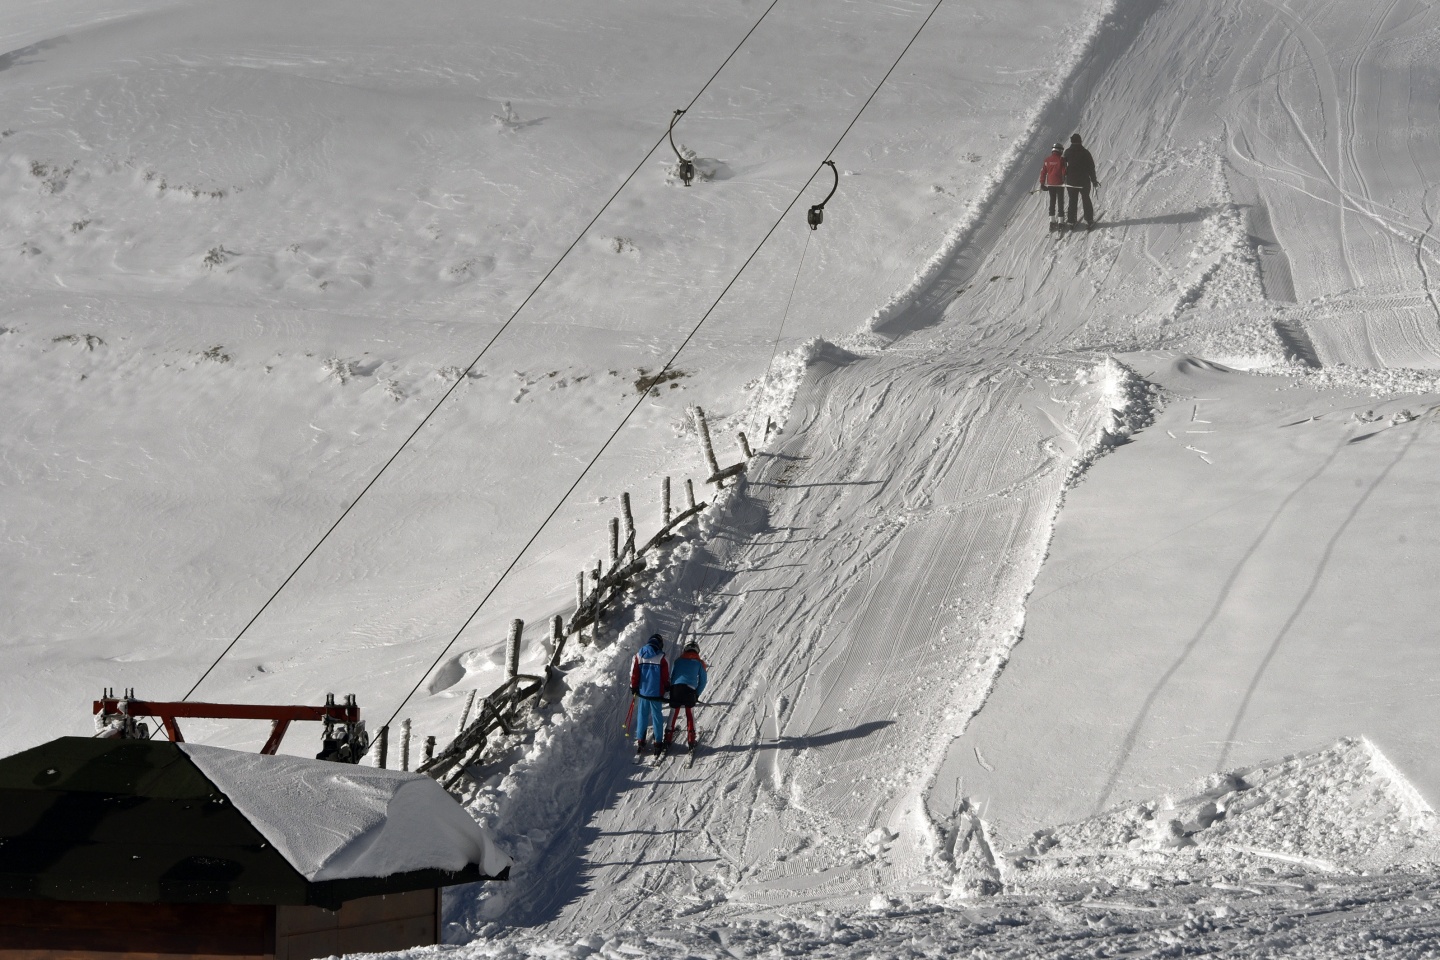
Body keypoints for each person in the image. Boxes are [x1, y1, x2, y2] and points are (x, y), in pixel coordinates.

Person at [665, 640, 709, 753]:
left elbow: (673, 676)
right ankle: (691, 739)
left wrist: (671, 690)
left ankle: (668, 737)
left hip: (676, 689)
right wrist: (697, 694)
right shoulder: (699, 663)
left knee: (673, 712)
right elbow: (703, 681)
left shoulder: (678, 661)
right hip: (690, 690)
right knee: (690, 713)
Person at [630, 633, 669, 755]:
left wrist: (634, 687)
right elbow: (665, 676)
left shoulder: (639, 655)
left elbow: (634, 673)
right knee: (657, 717)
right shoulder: (661, 657)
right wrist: (667, 686)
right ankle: (658, 742)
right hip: (656, 693)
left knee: (642, 715)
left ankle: (641, 740)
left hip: (643, 692)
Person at [1063, 133, 1100, 227]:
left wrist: (1064, 178)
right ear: (1080, 141)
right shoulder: (1085, 152)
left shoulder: (1067, 152)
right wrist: (1094, 180)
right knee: (1086, 198)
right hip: (1084, 180)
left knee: (1072, 200)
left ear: (1071, 141)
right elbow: (1091, 167)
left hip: (1071, 181)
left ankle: (1071, 220)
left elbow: (1062, 166)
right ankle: (1089, 219)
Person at [1039, 143, 1067, 225]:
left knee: (1052, 201)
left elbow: (1043, 172)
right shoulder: (1061, 160)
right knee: (1060, 202)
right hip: (1059, 184)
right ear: (1059, 150)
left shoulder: (1047, 160)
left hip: (1050, 184)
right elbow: (1064, 171)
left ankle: (1052, 220)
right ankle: (1061, 221)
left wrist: (1042, 183)